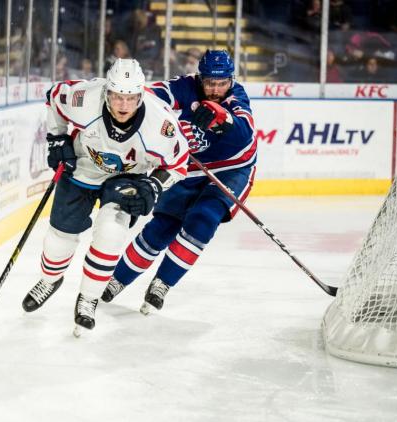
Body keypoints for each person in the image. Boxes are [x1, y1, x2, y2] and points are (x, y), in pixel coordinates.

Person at [21, 58, 189, 335]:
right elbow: (54, 97)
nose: (124, 105)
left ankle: (88, 299)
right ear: (107, 92)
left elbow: (178, 163)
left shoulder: (160, 124)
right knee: (58, 240)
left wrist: (154, 186)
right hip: (83, 166)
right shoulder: (85, 98)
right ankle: (49, 280)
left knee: (111, 233)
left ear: (141, 95)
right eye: (117, 97)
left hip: (129, 177)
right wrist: (57, 139)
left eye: (131, 98)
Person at [101, 50, 257, 314]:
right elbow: (149, 95)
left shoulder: (237, 97)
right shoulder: (184, 87)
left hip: (233, 168)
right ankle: (118, 279)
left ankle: (162, 283)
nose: (215, 89)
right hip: (191, 167)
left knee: (204, 217)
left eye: (221, 83)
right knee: (162, 225)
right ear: (200, 77)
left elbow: (244, 134)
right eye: (209, 82)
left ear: (232, 80)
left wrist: (223, 119)